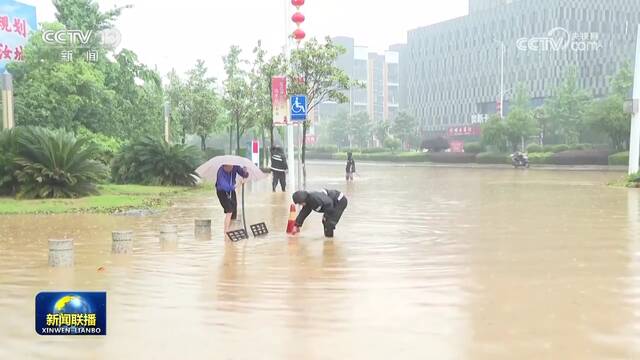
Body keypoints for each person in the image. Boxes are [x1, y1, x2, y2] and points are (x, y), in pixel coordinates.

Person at [216, 164, 249, 236]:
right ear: (224, 166)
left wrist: (245, 172)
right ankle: (225, 233)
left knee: (234, 212)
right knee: (229, 210)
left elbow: (243, 174)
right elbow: (225, 187)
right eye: (228, 167)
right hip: (222, 192)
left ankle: (230, 231)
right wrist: (238, 184)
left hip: (232, 191)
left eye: (231, 167)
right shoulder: (220, 172)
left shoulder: (235, 167)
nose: (230, 168)